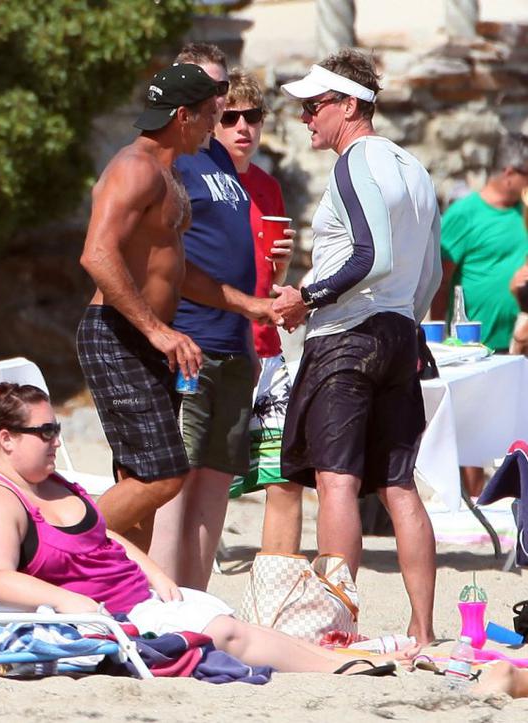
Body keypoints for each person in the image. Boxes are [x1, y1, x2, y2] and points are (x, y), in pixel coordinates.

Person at [0, 383, 419, 675]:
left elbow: (102, 535)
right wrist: (71, 601)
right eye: (46, 432)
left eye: (56, 430)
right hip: (104, 618)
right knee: (226, 633)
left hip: (135, 601)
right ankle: (346, 667)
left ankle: (344, 657)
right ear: (6, 439)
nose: (56, 440)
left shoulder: (48, 482)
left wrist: (154, 572)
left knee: (233, 624)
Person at [272, 49, 441, 644]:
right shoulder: (414, 168)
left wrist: (305, 298)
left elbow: (373, 256)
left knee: (337, 481)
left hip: (348, 335)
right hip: (397, 331)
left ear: (349, 105)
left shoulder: (354, 163)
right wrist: (405, 322)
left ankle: (335, 626)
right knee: (399, 483)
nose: (304, 117)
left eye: (314, 105)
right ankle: (423, 631)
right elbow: (430, 273)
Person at [146, 44, 284, 589]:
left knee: (216, 485)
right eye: (210, 89)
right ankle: (164, 608)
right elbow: (155, 255)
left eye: (223, 87)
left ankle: (196, 604)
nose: (220, 100)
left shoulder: (222, 160)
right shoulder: (171, 158)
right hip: (189, 342)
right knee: (173, 484)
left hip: (235, 344)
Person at [76, 62, 224, 552]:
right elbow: (97, 255)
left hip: (143, 337)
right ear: (183, 116)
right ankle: (52, 548)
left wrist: (252, 306)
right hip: (118, 332)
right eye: (210, 115)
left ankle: (124, 592)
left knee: (138, 479)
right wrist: (157, 331)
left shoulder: (166, 172)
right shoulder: (134, 168)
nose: (214, 125)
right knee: (163, 475)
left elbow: (175, 272)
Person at [213, 69, 300, 555]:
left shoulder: (267, 186)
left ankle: (277, 578)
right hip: (218, 347)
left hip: (267, 349)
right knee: (206, 481)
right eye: (230, 118)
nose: (243, 127)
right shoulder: (199, 181)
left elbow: (268, 272)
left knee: (284, 474)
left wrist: (282, 268)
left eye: (253, 116)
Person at [429, 132, 528, 497]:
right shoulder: (464, 214)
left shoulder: (525, 212)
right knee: (470, 436)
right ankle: (472, 504)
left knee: (517, 431)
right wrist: (439, 334)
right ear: (509, 172)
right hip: (475, 344)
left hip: (521, 340)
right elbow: (441, 277)